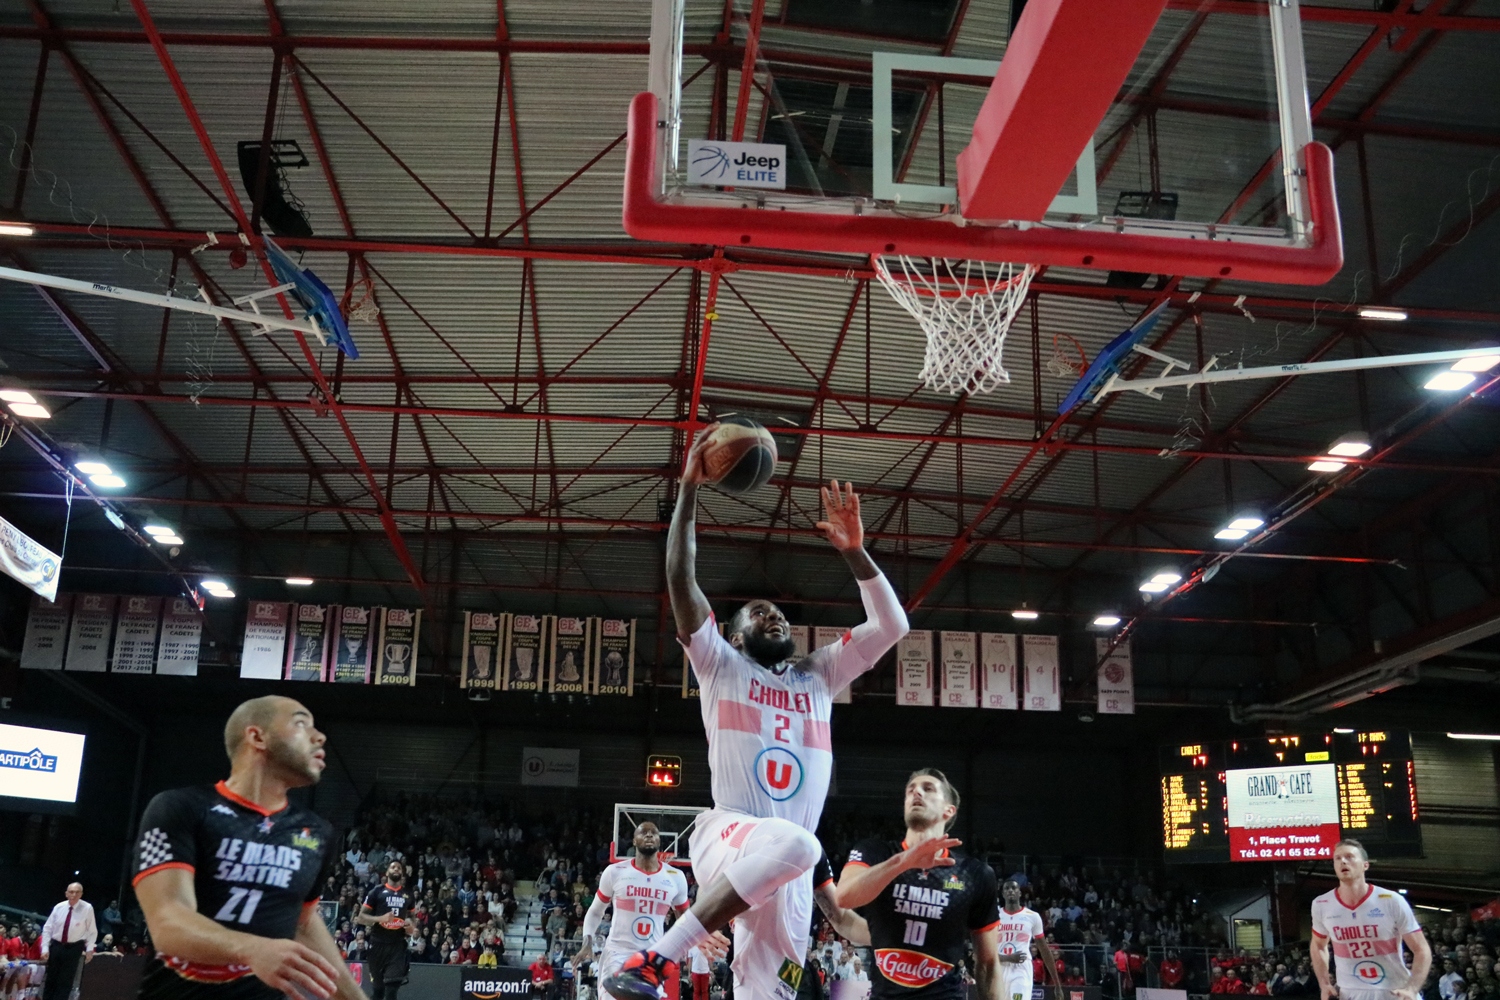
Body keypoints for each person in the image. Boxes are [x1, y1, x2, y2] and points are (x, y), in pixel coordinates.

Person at [607, 468, 908, 1000]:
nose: (776, 619)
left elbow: (893, 627)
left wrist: (856, 552)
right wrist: (689, 490)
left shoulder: (819, 673)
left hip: (788, 875)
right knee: (802, 842)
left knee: (768, 991)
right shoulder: (719, 663)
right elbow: (681, 576)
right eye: (760, 614)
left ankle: (663, 963)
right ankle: (653, 960)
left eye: (780, 616)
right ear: (734, 635)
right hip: (730, 835)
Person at [131, 695, 355, 1000]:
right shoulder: (181, 808)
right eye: (301, 723)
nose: (320, 736)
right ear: (257, 736)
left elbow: (303, 924)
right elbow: (168, 920)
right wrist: (251, 949)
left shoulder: (318, 832)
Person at [834, 769, 1001, 1000]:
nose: (916, 792)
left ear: (948, 810)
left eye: (928, 788)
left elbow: (989, 964)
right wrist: (903, 861)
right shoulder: (875, 852)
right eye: (910, 790)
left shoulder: (975, 873)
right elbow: (844, 896)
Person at [575, 823, 696, 997]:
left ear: (659, 840)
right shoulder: (615, 871)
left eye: (653, 833)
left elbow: (685, 918)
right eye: (643, 833)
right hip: (617, 953)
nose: (649, 836)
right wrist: (587, 942)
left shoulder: (675, 877)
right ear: (634, 840)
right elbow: (595, 911)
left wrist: (691, 946)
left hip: (651, 958)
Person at [1310, 840, 1431, 1000]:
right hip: (1350, 992)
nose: (1343, 861)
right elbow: (1318, 945)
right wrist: (1324, 984)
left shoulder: (1391, 900)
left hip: (1394, 990)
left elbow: (1422, 949)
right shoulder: (1321, 904)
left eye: (1349, 856)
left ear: (1365, 865)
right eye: (1337, 858)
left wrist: (1412, 988)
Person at [354, 860, 416, 1000]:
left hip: (397, 946)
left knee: (391, 992)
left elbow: (413, 918)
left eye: (399, 868)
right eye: (393, 867)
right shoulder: (376, 891)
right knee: (378, 992)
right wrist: (380, 919)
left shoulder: (408, 894)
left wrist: (411, 927)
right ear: (387, 872)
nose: (396, 869)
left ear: (402, 873)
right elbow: (361, 918)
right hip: (377, 945)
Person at [994, 879, 1061, 1000]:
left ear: (1020, 893)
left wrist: (1057, 984)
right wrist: (1007, 958)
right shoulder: (994, 916)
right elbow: (984, 951)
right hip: (999, 968)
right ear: (1003, 894)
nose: (1010, 890)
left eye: (1014, 888)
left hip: (1021, 969)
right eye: (1007, 888)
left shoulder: (1032, 916)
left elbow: (1044, 950)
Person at [41, 882, 96, 1000]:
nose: (74, 894)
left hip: (74, 947)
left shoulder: (87, 908)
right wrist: (45, 948)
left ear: (81, 894)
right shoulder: (58, 907)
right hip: (56, 945)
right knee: (51, 979)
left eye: (77, 892)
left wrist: (90, 949)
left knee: (65, 981)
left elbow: (92, 930)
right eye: (71, 892)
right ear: (66, 893)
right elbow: (47, 928)